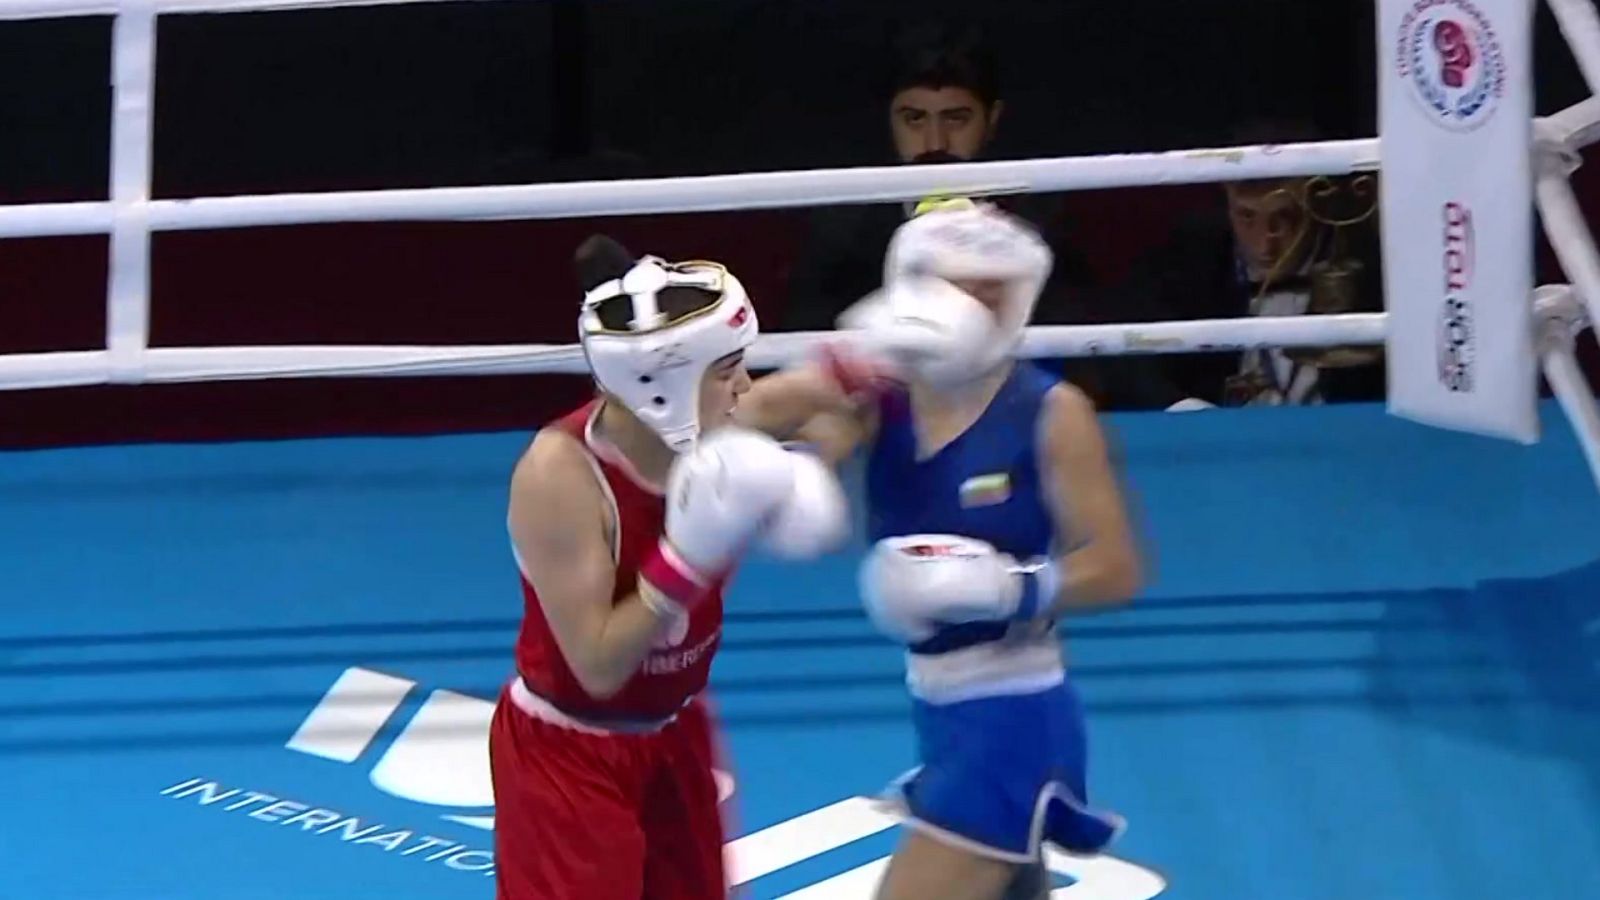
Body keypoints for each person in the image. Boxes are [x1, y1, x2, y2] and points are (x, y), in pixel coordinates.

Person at [741, 199, 1144, 900]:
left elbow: (1116, 567)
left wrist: (1010, 587)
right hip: (940, 712)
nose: (978, 309)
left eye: (996, 293)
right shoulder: (878, 397)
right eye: (961, 287)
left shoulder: (1052, 412)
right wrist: (817, 423)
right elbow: (753, 418)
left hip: (1015, 718)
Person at [488, 234, 848, 900]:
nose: (744, 385)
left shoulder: (721, 421)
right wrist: (685, 558)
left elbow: (832, 396)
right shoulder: (559, 476)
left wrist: (813, 466)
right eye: (727, 369)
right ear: (666, 385)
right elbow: (597, 667)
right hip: (570, 750)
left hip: (675, 730)